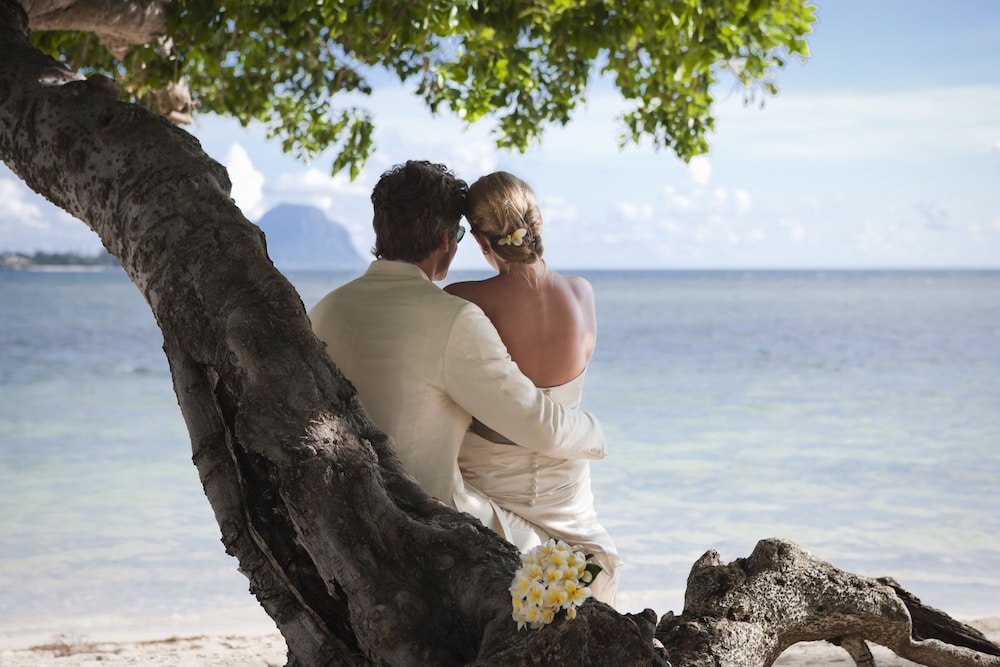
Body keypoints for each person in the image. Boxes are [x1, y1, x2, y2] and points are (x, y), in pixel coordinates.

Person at [308, 160, 607, 555]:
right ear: (448, 240)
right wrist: (596, 431)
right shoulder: (453, 317)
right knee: (565, 559)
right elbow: (539, 425)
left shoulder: (323, 311)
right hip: (425, 517)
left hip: (335, 514)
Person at [444, 170, 622, 604]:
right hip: (567, 481)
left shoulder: (462, 298)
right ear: (538, 222)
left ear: (481, 241)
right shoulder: (582, 293)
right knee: (577, 582)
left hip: (490, 479)